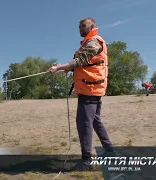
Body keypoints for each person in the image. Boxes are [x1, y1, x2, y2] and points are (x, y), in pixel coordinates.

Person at [48, 18, 115, 171]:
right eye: (79, 26)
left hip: (90, 90)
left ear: (92, 26)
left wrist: (58, 67)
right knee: (95, 121)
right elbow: (84, 62)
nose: (80, 28)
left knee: (84, 124)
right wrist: (69, 68)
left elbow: (81, 60)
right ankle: (110, 151)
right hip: (92, 89)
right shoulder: (89, 42)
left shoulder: (93, 41)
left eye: (83, 26)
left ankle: (86, 161)